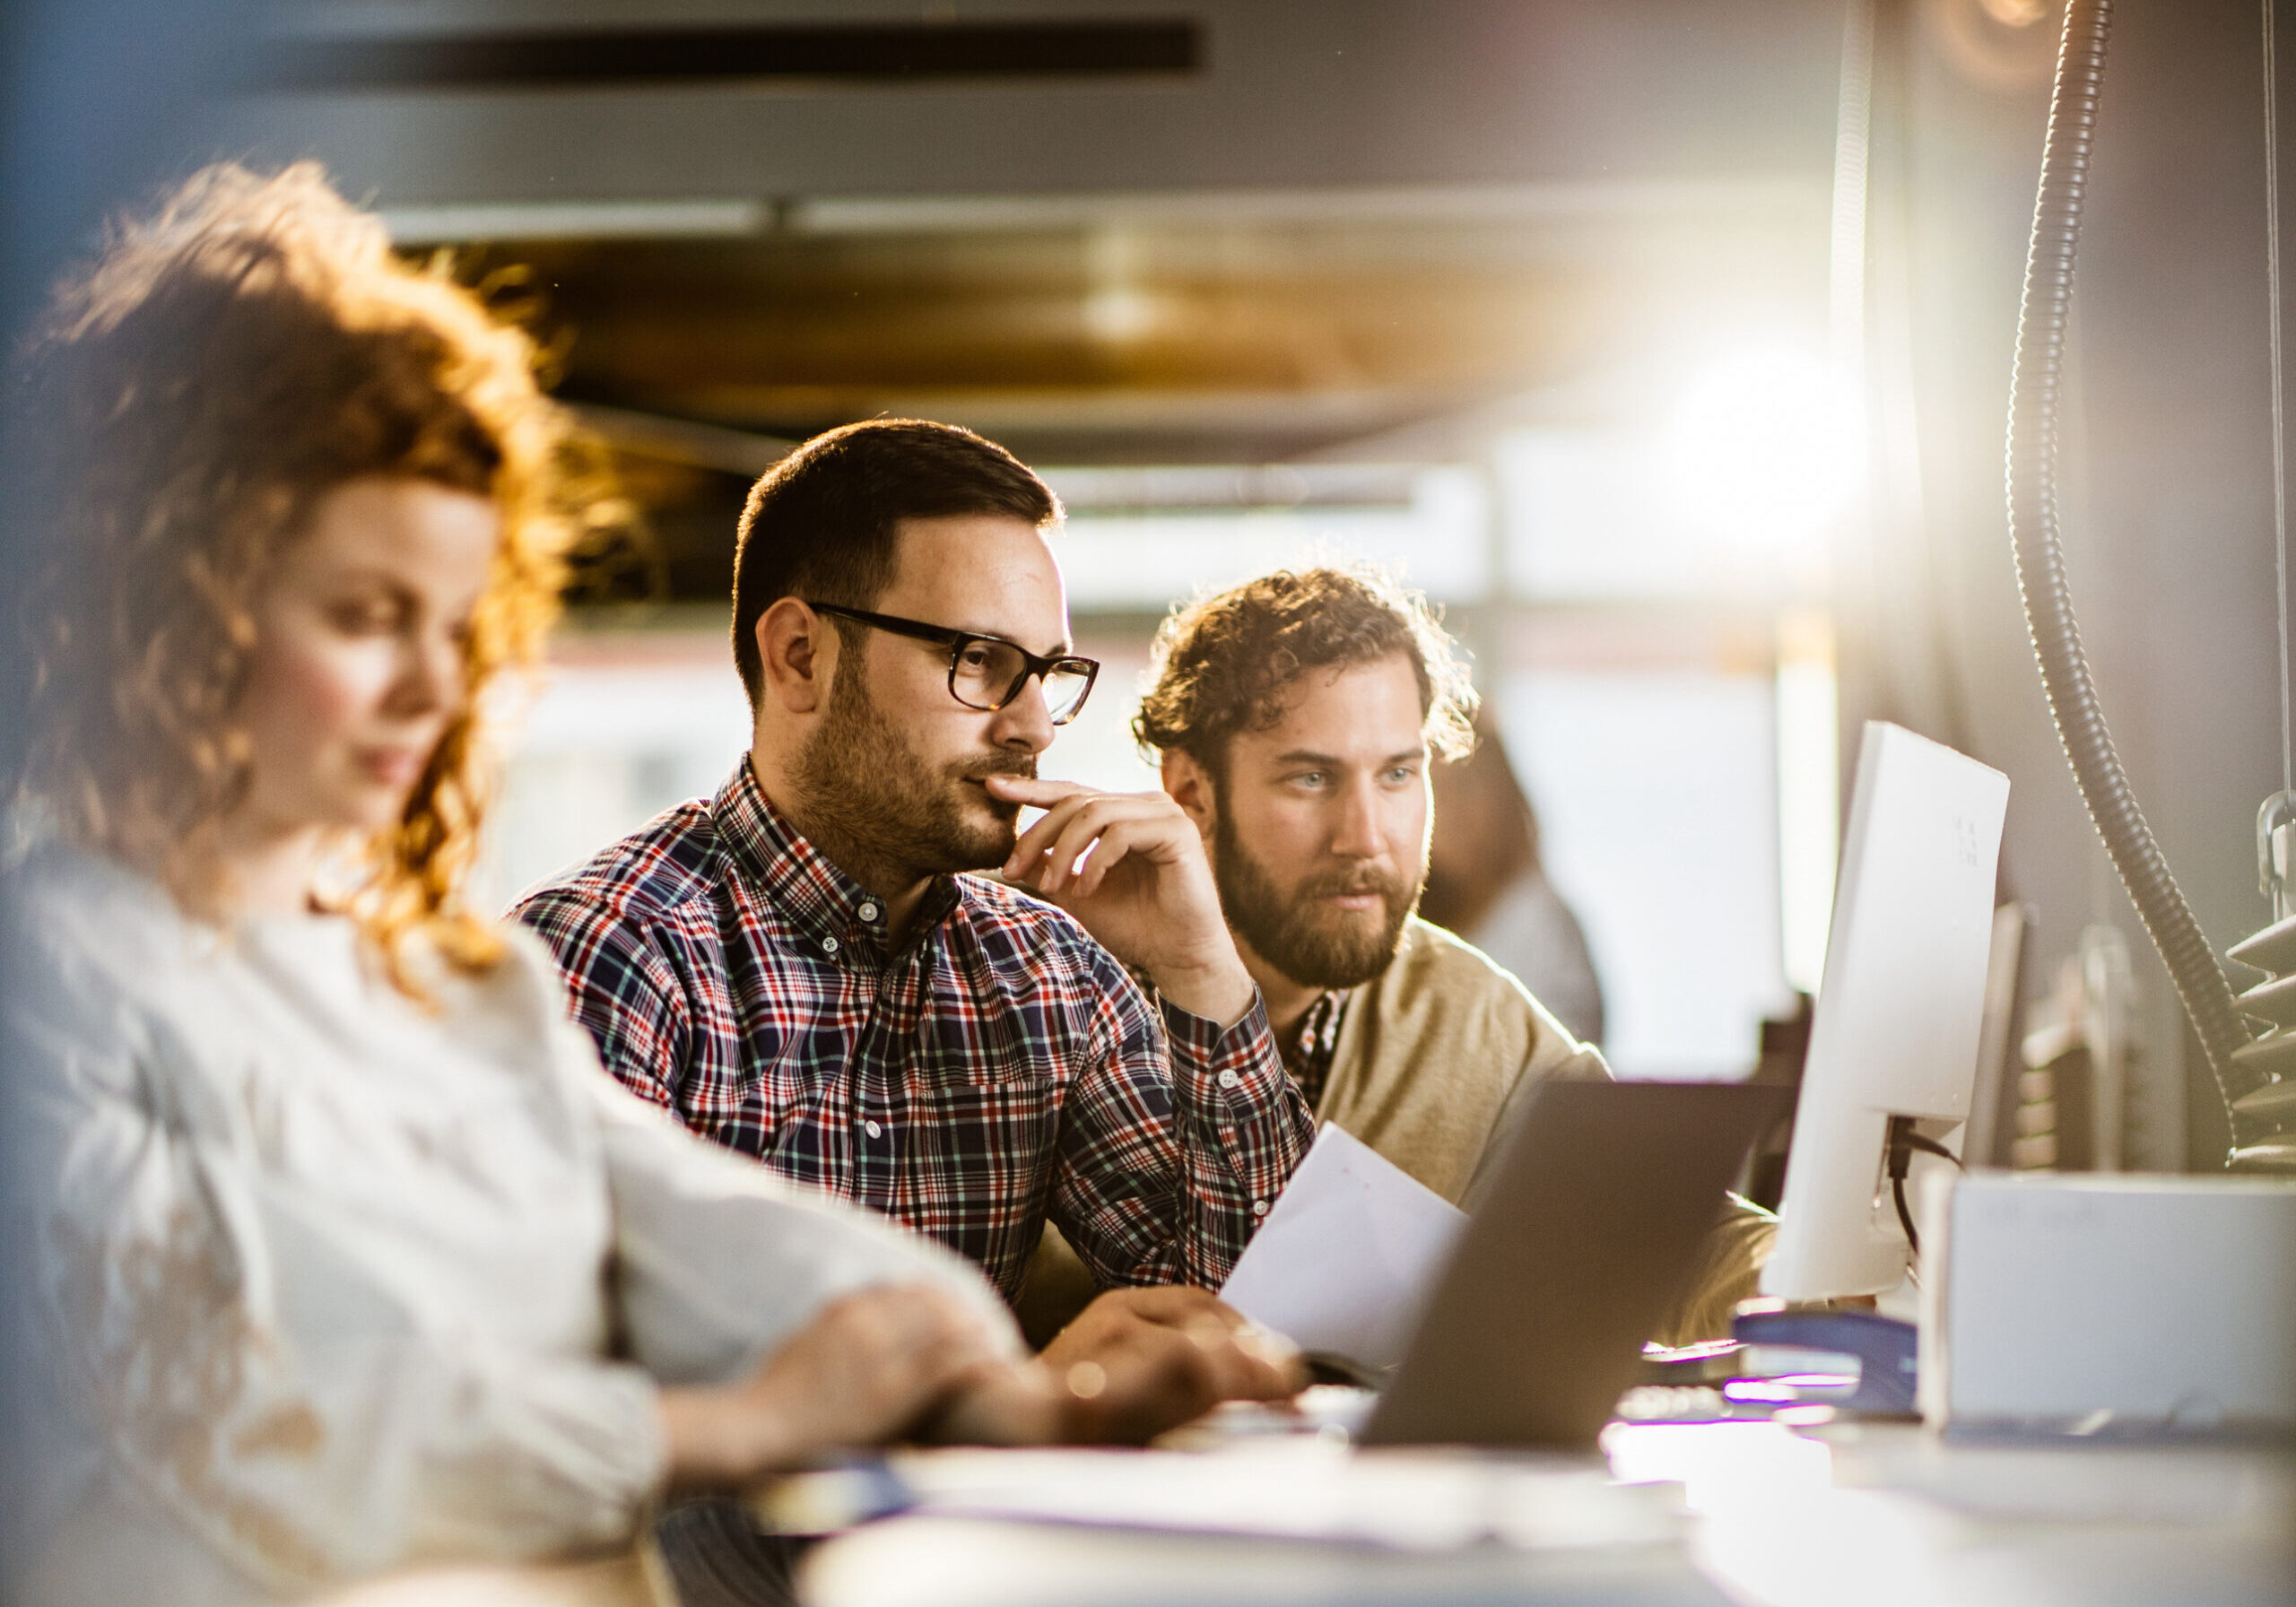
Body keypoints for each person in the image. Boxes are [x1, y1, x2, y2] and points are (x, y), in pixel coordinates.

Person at [0, 164, 1295, 1607]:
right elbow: (230, 1427)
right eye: (370, 617)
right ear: (173, 609)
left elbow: (722, 1238)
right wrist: (719, 1430)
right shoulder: (52, 978)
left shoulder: (442, 990)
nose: (437, 685)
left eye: (456, 621)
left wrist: (989, 1393)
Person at [513, 421, 1315, 1307]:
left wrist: (1200, 966)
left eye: (1046, 672)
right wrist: (1010, 1402)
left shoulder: (1052, 972)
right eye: (978, 660)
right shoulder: (611, 958)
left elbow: (1262, 1315)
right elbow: (545, 1379)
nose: (1034, 727)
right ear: (800, 656)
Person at [1113, 566, 1766, 1343]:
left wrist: (1835, 1289)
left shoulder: (1464, 1010)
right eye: (1311, 778)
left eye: (1397, 775)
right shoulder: (1046, 990)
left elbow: (1671, 1236)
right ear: (1190, 793)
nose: (1364, 836)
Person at [1420, 716, 1606, 1047]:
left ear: (1501, 794)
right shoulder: (1413, 927)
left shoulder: (1540, 925)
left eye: (1464, 787)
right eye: (1433, 790)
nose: (1449, 811)